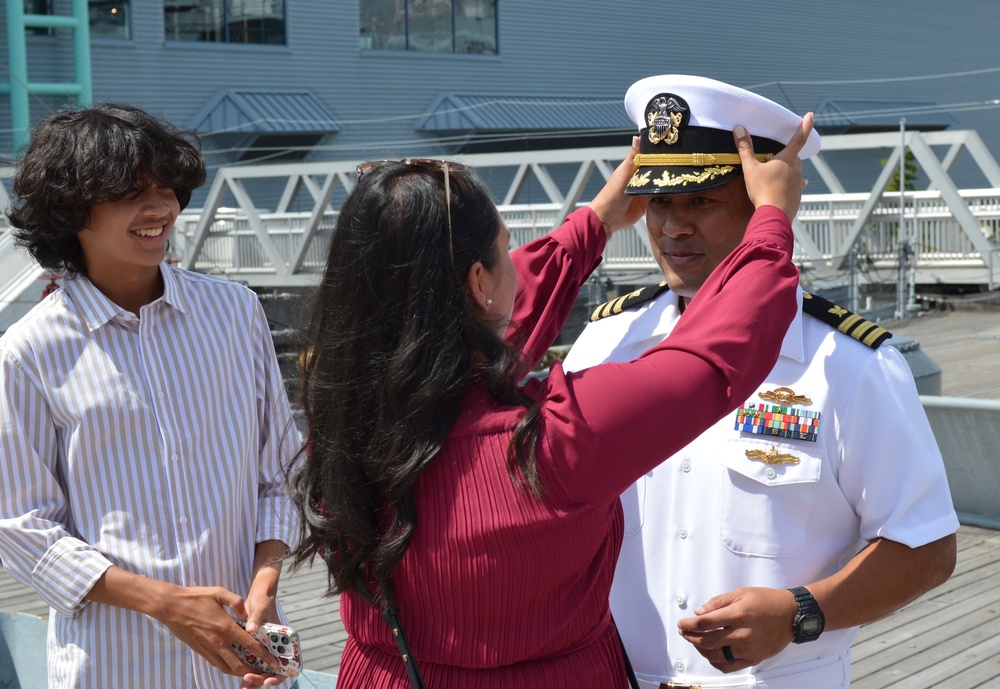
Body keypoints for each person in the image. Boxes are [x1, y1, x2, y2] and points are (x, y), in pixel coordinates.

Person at [288, 103, 814, 688]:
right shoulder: (553, 442)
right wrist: (771, 218)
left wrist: (596, 222)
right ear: (479, 282)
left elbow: (450, 327)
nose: (518, 266)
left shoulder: (346, 415)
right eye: (506, 248)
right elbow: (713, 355)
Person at [563, 74, 959, 689]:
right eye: (660, 203)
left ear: (763, 206)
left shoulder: (846, 363)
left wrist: (803, 611)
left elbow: (926, 548)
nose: (673, 228)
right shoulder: (602, 343)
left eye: (702, 202)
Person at [0, 103, 300, 688]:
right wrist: (166, 603)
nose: (160, 208)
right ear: (70, 210)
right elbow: (20, 526)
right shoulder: (27, 351)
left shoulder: (237, 311)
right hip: (115, 666)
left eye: (166, 188)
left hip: (252, 648)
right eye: (130, 193)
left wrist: (265, 589)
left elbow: (280, 471)